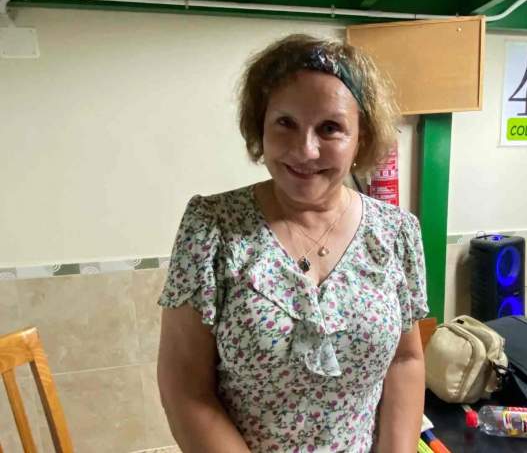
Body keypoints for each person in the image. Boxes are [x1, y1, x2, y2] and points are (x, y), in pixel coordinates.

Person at [157, 34, 428, 452]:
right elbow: (185, 387)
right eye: (286, 123)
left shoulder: (396, 232)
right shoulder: (211, 227)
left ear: (361, 137)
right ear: (260, 127)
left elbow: (405, 360)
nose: (305, 150)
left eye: (330, 128)